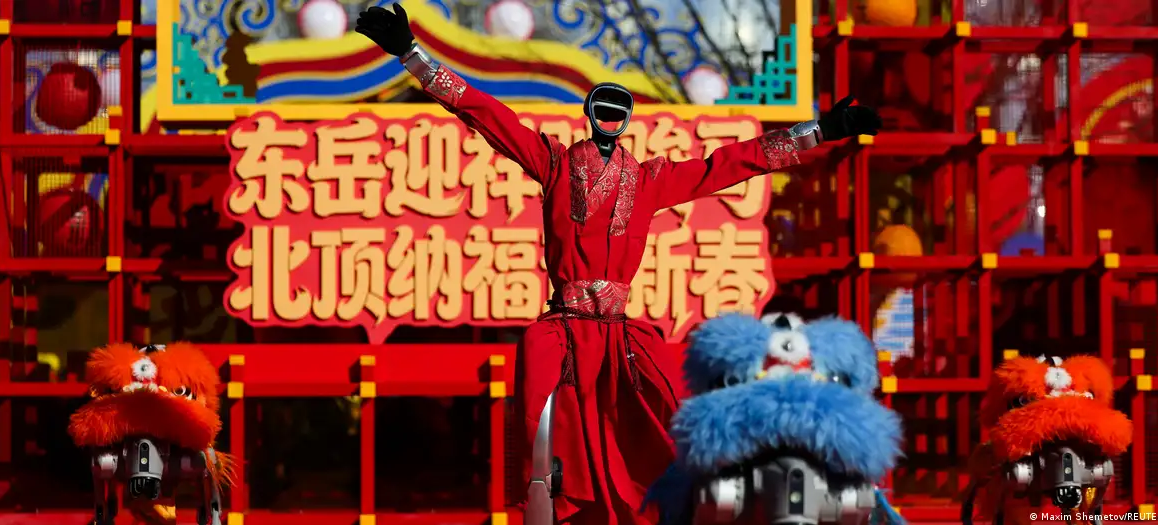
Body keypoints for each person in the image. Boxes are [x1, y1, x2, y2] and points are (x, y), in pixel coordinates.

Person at [354, 6, 882, 524]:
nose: (609, 117)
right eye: (603, 108)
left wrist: (820, 130)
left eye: (618, 109)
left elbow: (730, 164)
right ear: (590, 114)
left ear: (626, 120)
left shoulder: (648, 180)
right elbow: (489, 115)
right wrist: (412, 54)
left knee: (669, 417)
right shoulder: (555, 163)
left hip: (617, 338)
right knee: (539, 432)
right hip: (562, 334)